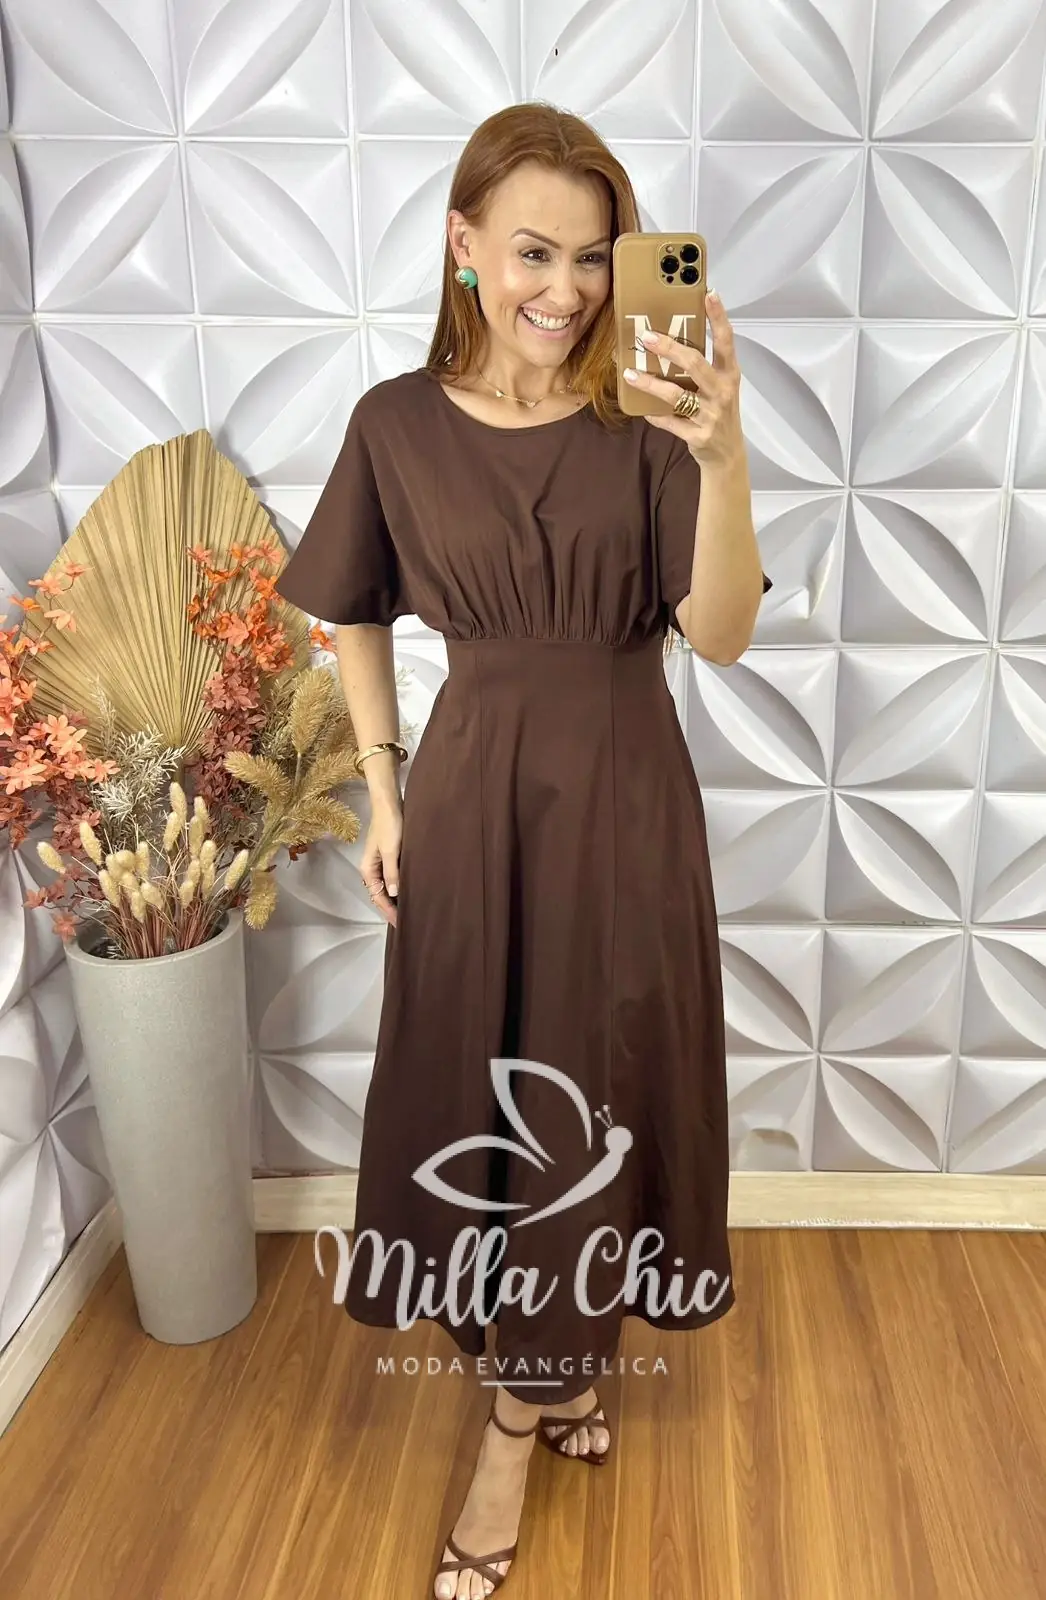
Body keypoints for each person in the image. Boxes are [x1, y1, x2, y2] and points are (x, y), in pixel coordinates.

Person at [275, 101, 771, 1600]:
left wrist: (725, 452)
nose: (565, 289)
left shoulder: (650, 425)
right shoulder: (393, 423)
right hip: (473, 795)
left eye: (595, 258)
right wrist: (384, 792)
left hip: (625, 802)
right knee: (474, 1083)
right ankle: (541, 1368)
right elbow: (351, 606)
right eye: (533, 252)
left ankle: (517, 1418)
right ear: (464, 245)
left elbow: (721, 637)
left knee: (600, 1083)